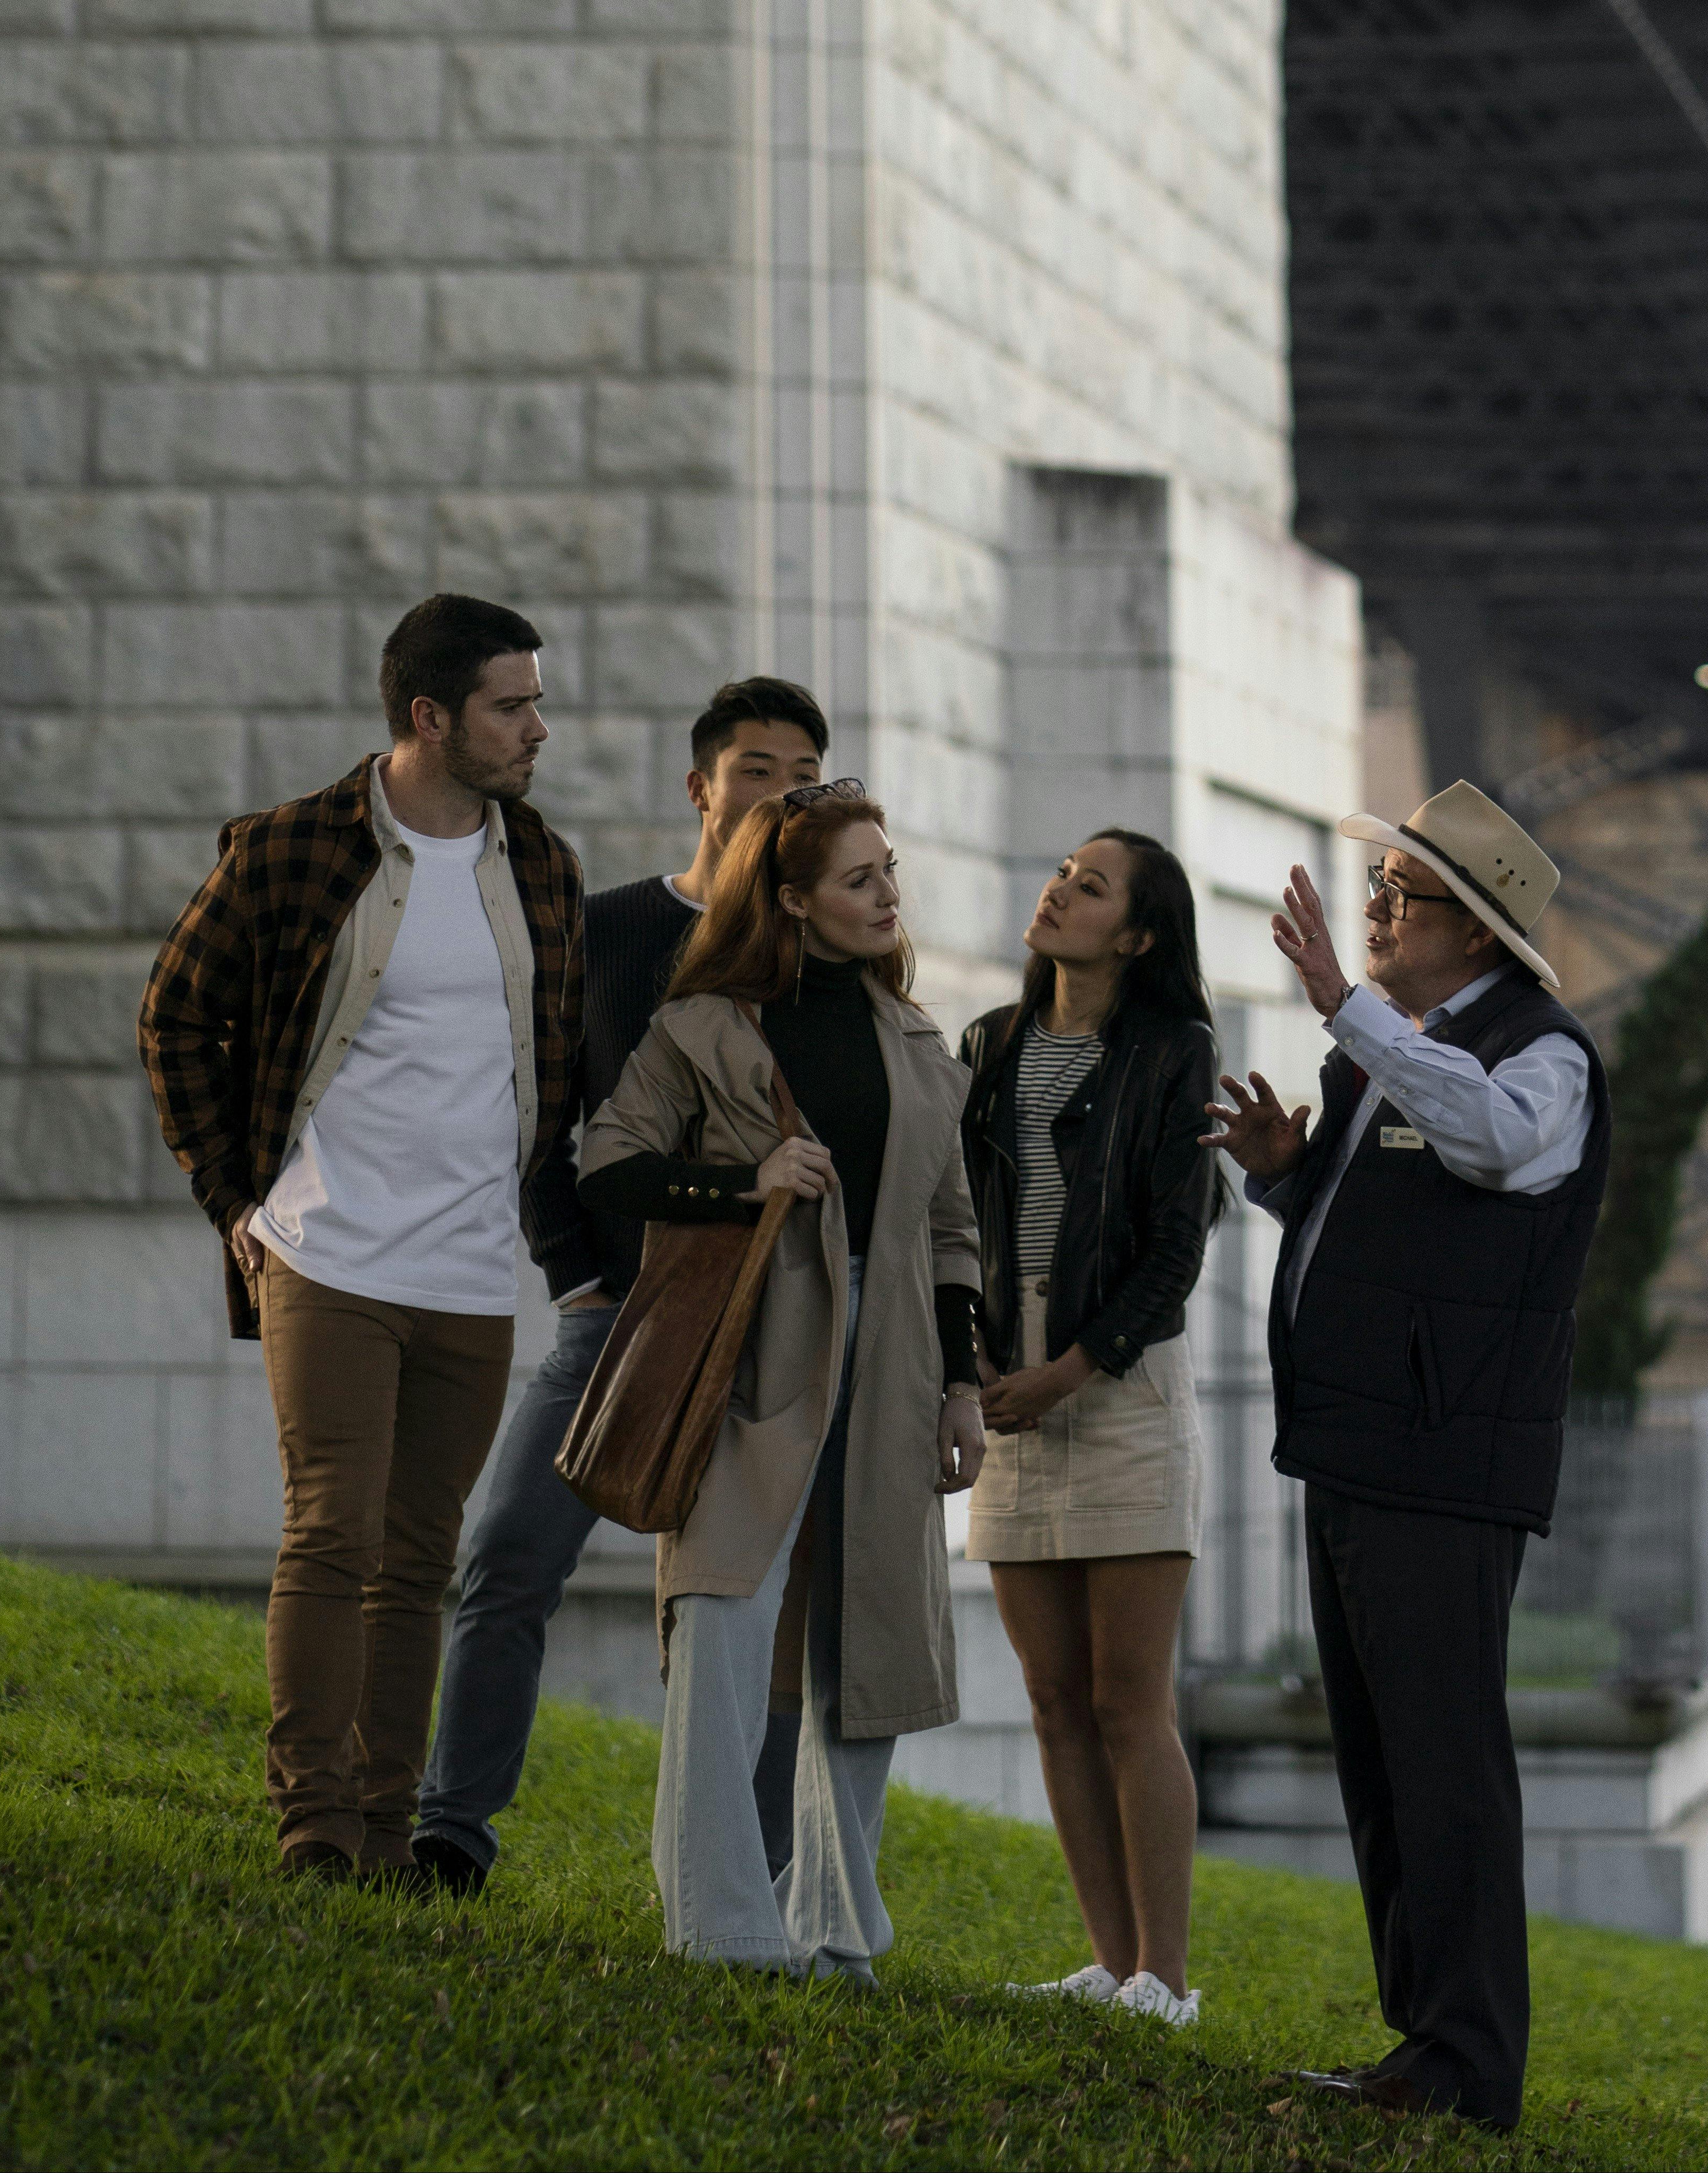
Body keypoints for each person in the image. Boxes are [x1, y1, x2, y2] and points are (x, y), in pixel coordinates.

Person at [136, 591, 584, 1885]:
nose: (538, 729)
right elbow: (173, 1017)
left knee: (418, 1556)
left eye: (536, 701)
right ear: (430, 717)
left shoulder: (536, 864)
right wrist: (235, 1203)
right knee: (332, 1531)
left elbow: (557, 1065)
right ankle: (315, 1823)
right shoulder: (293, 851)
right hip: (325, 1255)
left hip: (467, 1272)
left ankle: (389, 1826)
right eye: (514, 705)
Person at [1202, 780, 1610, 2136]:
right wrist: (1279, 1173)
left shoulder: (1538, 1056)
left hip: (1444, 1461)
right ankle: (1418, 2045)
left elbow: (1494, 1145)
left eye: (1399, 896)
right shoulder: (1396, 1047)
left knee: (1444, 1762)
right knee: (1380, 1761)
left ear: (1480, 932)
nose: (1373, 911)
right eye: (1376, 891)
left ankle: (1468, 2062)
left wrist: (1345, 1005)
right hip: (1360, 1447)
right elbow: (1373, 1224)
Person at [410, 672, 833, 1896]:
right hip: (620, 1316)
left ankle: (745, 1876)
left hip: (773, 1323)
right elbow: (543, 1119)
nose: (782, 792)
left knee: (738, 1614)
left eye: (806, 775)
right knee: (505, 1559)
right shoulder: (602, 932)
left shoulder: (818, 952)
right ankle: (453, 1830)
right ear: (702, 785)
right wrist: (579, 1280)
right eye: (759, 768)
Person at [578, 779, 986, 1975]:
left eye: (890, 871)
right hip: (752, 1354)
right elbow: (610, 1161)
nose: (888, 895)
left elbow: (955, 1230)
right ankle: (717, 1926)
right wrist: (742, 1182)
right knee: (721, 1619)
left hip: (897, 1358)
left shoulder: (912, 1034)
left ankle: (837, 1929)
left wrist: (963, 1385)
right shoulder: (702, 1025)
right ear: (793, 901)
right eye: (860, 879)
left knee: (871, 1651)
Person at [959, 828, 1218, 2028]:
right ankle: (1110, 1968)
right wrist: (976, 1368)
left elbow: (1176, 1253)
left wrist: (1068, 1371)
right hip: (1010, 1387)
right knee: (1053, 1698)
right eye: (1063, 870)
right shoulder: (989, 1048)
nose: (1061, 888)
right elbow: (956, 1227)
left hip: (1118, 1392)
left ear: (1139, 935)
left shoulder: (1175, 1052)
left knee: (1130, 1700)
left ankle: (1166, 1979)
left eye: (1093, 886)